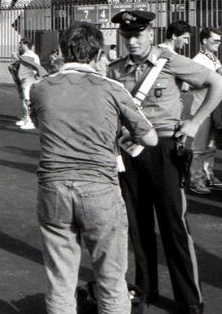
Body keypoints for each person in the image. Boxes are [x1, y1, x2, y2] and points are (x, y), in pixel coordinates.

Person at [29, 22, 157, 313]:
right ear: (99, 53)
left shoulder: (39, 88)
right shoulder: (113, 88)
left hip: (54, 185)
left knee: (60, 279)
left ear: (61, 51)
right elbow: (149, 137)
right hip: (99, 185)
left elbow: (40, 125)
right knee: (111, 278)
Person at [108, 10, 222, 313]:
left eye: (137, 35)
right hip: (130, 149)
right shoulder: (115, 68)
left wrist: (195, 122)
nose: (132, 42)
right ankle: (145, 288)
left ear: (150, 33)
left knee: (174, 225)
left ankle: (189, 299)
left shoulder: (168, 61)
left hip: (164, 147)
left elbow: (219, 85)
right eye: (126, 36)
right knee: (136, 223)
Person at [187, 27, 222, 194]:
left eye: (219, 41)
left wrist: (221, 73)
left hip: (215, 109)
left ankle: (208, 175)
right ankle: (195, 179)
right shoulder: (198, 60)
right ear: (204, 41)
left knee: (211, 146)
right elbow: (192, 83)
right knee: (199, 147)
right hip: (201, 109)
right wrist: (217, 76)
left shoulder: (213, 58)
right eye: (215, 41)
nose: (218, 44)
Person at [15, 39, 45, 130]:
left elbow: (34, 66)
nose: (20, 46)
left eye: (21, 44)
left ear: (25, 44)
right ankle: (25, 118)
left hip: (29, 80)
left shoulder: (31, 55)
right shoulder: (25, 55)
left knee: (27, 100)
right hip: (24, 80)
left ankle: (30, 121)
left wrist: (17, 58)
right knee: (24, 99)